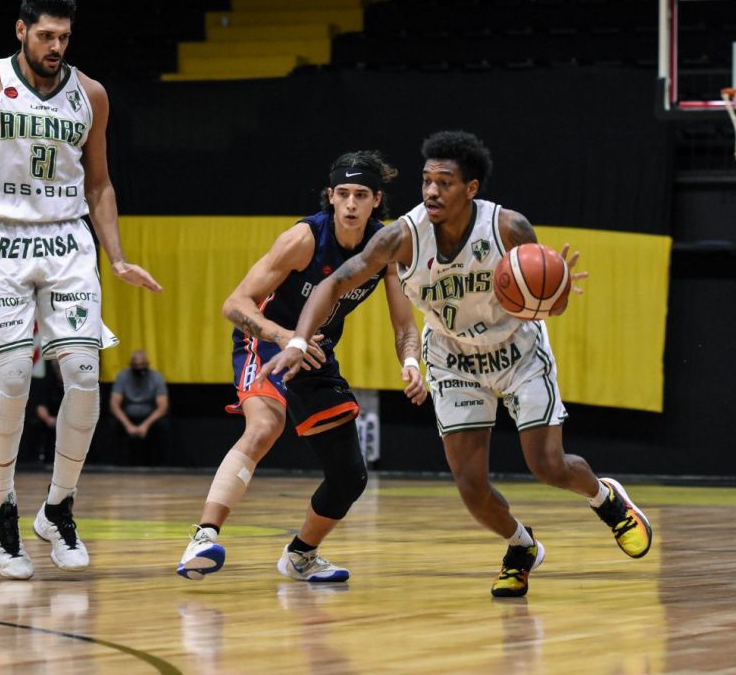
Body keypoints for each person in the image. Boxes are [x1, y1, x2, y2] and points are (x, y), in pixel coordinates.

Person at [260, 131, 652, 598]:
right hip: (452, 357)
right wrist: (297, 339)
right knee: (471, 487)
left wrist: (556, 290)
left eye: (444, 183)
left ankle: (607, 500)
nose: (431, 191)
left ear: (471, 188)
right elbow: (333, 284)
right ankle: (521, 547)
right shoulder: (401, 237)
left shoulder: (508, 228)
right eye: (427, 181)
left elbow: (547, 305)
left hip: (516, 349)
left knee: (547, 465)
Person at [0, 0, 161, 580]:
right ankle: (0, 507)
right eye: (46, 34)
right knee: (15, 376)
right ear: (21, 30)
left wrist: (117, 256)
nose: (56, 46)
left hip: (67, 239)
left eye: (64, 37)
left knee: (84, 377)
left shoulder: (90, 95)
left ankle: (58, 508)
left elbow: (99, 184)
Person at [176, 150, 426, 582]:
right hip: (267, 342)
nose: (350, 203)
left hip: (316, 352)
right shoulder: (304, 239)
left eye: (360, 195)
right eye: (343, 193)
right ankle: (203, 538)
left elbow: (404, 325)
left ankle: (300, 556)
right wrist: (282, 337)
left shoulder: (386, 249)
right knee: (264, 426)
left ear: (376, 200)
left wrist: (410, 362)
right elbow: (234, 304)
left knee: (349, 477)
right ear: (330, 196)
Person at [110, 349, 170, 465]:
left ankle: (161, 466)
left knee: (164, 425)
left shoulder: (156, 377)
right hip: (128, 416)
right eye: (136, 365)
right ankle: (116, 464)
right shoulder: (123, 376)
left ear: (147, 364)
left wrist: (145, 425)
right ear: (131, 364)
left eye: (142, 364)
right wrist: (128, 425)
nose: (139, 368)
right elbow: (114, 404)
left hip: (149, 416)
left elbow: (163, 406)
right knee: (113, 424)